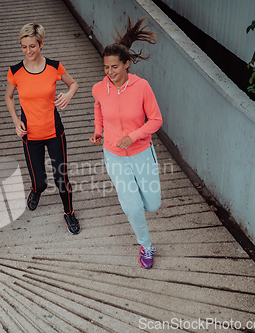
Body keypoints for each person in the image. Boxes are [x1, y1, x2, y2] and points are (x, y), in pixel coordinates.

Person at [89, 17, 163, 268]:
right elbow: (98, 109)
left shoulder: (142, 87)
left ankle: (134, 199)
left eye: (114, 68)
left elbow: (155, 120)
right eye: (106, 67)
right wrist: (98, 130)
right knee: (133, 207)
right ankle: (146, 246)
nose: (109, 73)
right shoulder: (99, 88)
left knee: (152, 205)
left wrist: (133, 135)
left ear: (127, 65)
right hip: (114, 155)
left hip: (142, 152)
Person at [5, 23, 80, 234]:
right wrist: (15, 121)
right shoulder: (15, 71)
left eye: (32, 46)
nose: (28, 51)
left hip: (55, 132)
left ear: (41, 44)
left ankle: (69, 213)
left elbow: (73, 84)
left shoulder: (54, 67)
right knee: (40, 182)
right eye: (23, 47)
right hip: (31, 135)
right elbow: (8, 96)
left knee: (61, 178)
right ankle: (35, 190)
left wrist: (68, 95)